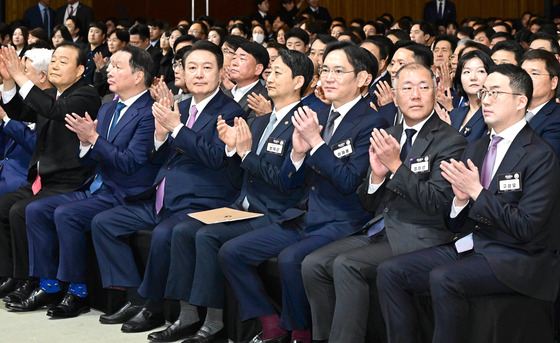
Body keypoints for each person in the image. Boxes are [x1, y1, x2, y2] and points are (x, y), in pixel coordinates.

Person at [377, 63, 560, 343]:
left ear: (521, 101)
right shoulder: (476, 147)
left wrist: (476, 192)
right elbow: (453, 222)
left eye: (495, 93)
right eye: (485, 92)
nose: (485, 99)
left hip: (517, 256)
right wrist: (460, 202)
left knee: (444, 278)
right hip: (472, 245)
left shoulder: (540, 155)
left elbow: (526, 227)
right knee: (391, 271)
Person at [219, 41, 388, 343]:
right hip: (302, 215)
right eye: (326, 70)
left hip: (342, 220)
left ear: (363, 79)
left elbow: (349, 182)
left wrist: (317, 143)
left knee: (290, 260)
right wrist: (297, 156)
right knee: (232, 252)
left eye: (339, 71)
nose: (329, 78)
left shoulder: (372, 122)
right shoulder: (318, 115)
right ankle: (271, 323)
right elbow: (291, 180)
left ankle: (301, 333)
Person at [148, 49, 314, 343]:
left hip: (276, 212)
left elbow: (288, 183)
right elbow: (239, 175)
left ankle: (214, 322)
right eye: (270, 72)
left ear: (299, 81)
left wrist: (244, 153)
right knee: (185, 231)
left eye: (277, 73)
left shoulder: (303, 123)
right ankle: (187, 316)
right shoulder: (260, 121)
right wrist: (232, 152)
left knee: (207, 237)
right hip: (242, 205)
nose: (269, 78)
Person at [302, 62, 467, 343]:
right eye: (407, 88)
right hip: (379, 228)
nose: (415, 95)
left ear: (436, 91)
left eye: (423, 87)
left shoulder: (451, 141)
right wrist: (377, 178)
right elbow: (367, 202)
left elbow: (436, 203)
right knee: (312, 264)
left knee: (347, 264)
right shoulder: (388, 134)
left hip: (421, 235)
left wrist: (395, 166)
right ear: (395, 94)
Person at [91, 40, 245, 334]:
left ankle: (153, 307)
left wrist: (176, 129)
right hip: (163, 198)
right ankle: (135, 296)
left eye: (207, 67)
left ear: (221, 72)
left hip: (202, 200)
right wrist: (161, 136)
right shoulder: (181, 106)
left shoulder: (230, 110)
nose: (199, 74)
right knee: (106, 222)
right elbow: (159, 156)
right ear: (183, 73)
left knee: (164, 234)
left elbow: (216, 157)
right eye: (192, 68)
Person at [14, 45, 159, 317]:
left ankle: (77, 292)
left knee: (67, 214)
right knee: (35, 209)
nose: (108, 71)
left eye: (117, 67)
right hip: (96, 185)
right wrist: (85, 144)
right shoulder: (107, 108)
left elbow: (130, 162)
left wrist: (93, 140)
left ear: (138, 76)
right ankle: (48, 283)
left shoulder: (149, 112)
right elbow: (94, 156)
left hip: (126, 193)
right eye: (110, 66)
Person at [0, 42, 101, 303]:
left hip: (70, 182)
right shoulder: (54, 94)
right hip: (42, 180)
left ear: (79, 70)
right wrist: (9, 80)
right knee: (4, 206)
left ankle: (42, 282)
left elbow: (55, 111)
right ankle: (14, 275)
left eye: (62, 61)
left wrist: (21, 76)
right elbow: (18, 112)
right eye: (53, 60)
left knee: (22, 210)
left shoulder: (86, 95)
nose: (55, 65)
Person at [0, 48, 52, 196]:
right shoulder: (24, 101)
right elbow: (4, 144)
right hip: (6, 168)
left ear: (42, 76)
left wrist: (5, 118)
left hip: (25, 177)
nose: (19, 75)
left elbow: (37, 146)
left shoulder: (53, 106)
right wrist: (7, 79)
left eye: (25, 71)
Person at [440, 50, 494, 142]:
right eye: (467, 72)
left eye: (480, 71)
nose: (473, 77)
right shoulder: (454, 114)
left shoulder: (493, 114)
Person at [520, 49, 560, 157]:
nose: (526, 78)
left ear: (553, 82)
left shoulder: (557, 118)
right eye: (523, 73)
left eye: (534, 73)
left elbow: (545, 160)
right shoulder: (510, 109)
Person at [224, 41, 269, 125]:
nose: (234, 63)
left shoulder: (263, 99)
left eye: (242, 59)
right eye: (234, 58)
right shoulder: (225, 94)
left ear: (258, 69)